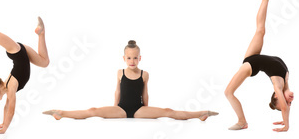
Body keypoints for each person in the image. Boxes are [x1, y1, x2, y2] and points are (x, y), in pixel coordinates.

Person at [41, 40, 218, 121]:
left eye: (135, 58)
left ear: (140, 58)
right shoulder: (120, 72)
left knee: (168, 111)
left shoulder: (145, 74)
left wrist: (148, 109)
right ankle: (61, 113)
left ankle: (200, 114)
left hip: (140, 110)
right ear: (124, 58)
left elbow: (145, 93)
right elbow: (117, 92)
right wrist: (114, 107)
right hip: (121, 109)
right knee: (93, 110)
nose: (132, 61)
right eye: (129, 58)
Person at [222, 0, 295, 131]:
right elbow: (286, 110)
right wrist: (285, 118)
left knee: (228, 92)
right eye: (289, 103)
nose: (289, 103)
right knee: (260, 30)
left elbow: (285, 110)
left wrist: (286, 125)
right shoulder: (286, 79)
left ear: (276, 96)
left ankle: (242, 121)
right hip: (254, 58)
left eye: (284, 103)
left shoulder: (278, 86)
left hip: (250, 66)